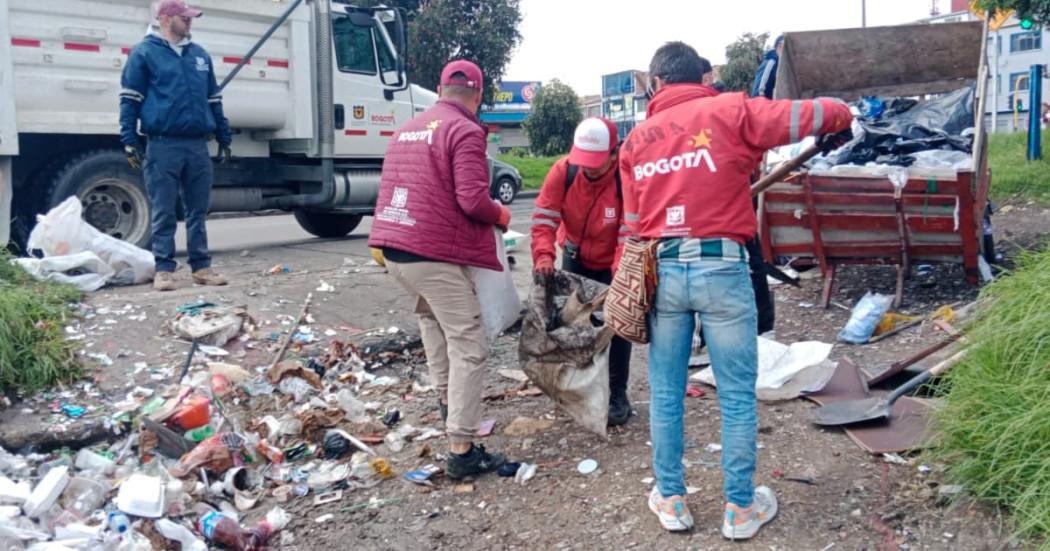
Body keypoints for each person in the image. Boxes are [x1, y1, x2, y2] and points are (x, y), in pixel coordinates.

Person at [619, 41, 852, 538]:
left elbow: (635, 228)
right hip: (723, 268)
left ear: (657, 84)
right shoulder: (730, 111)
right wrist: (840, 113)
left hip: (662, 272)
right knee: (738, 395)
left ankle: (672, 499)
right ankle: (740, 509)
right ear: (700, 76)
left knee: (665, 392)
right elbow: (810, 116)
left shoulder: (636, 141)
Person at [368, 59, 511, 480]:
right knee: (470, 343)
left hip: (395, 248)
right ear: (478, 94)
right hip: (431, 254)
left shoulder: (409, 127)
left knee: (434, 326)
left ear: (439, 88)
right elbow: (472, 200)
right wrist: (501, 214)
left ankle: (450, 408)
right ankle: (462, 450)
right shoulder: (464, 130)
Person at [119, 0, 231, 291]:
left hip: (196, 146)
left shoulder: (199, 56)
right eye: (185, 17)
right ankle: (164, 269)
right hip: (162, 145)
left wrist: (224, 135)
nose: (190, 22)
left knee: (198, 210)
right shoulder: (144, 53)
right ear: (167, 18)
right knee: (164, 209)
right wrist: (129, 140)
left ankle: (201, 267)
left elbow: (214, 100)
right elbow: (130, 99)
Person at [530, 117, 633, 426]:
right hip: (574, 258)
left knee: (617, 329)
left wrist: (619, 280)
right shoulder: (565, 171)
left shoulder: (624, 180)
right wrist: (544, 257)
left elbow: (628, 233)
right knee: (574, 330)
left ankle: (617, 394)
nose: (589, 169)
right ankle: (580, 391)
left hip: (611, 262)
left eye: (596, 163)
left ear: (614, 154)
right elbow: (544, 219)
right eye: (584, 161)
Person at [750, 35, 783, 99]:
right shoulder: (772, 61)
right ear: (778, 47)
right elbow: (761, 89)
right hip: (761, 103)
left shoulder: (780, 63)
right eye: (782, 47)